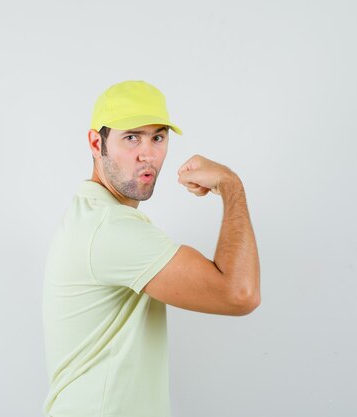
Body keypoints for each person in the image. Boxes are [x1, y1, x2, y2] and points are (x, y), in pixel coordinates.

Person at [42, 80, 260, 417]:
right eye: (131, 137)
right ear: (95, 142)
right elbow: (239, 293)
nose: (148, 154)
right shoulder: (110, 229)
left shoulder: (95, 216)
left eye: (157, 137)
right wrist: (232, 186)